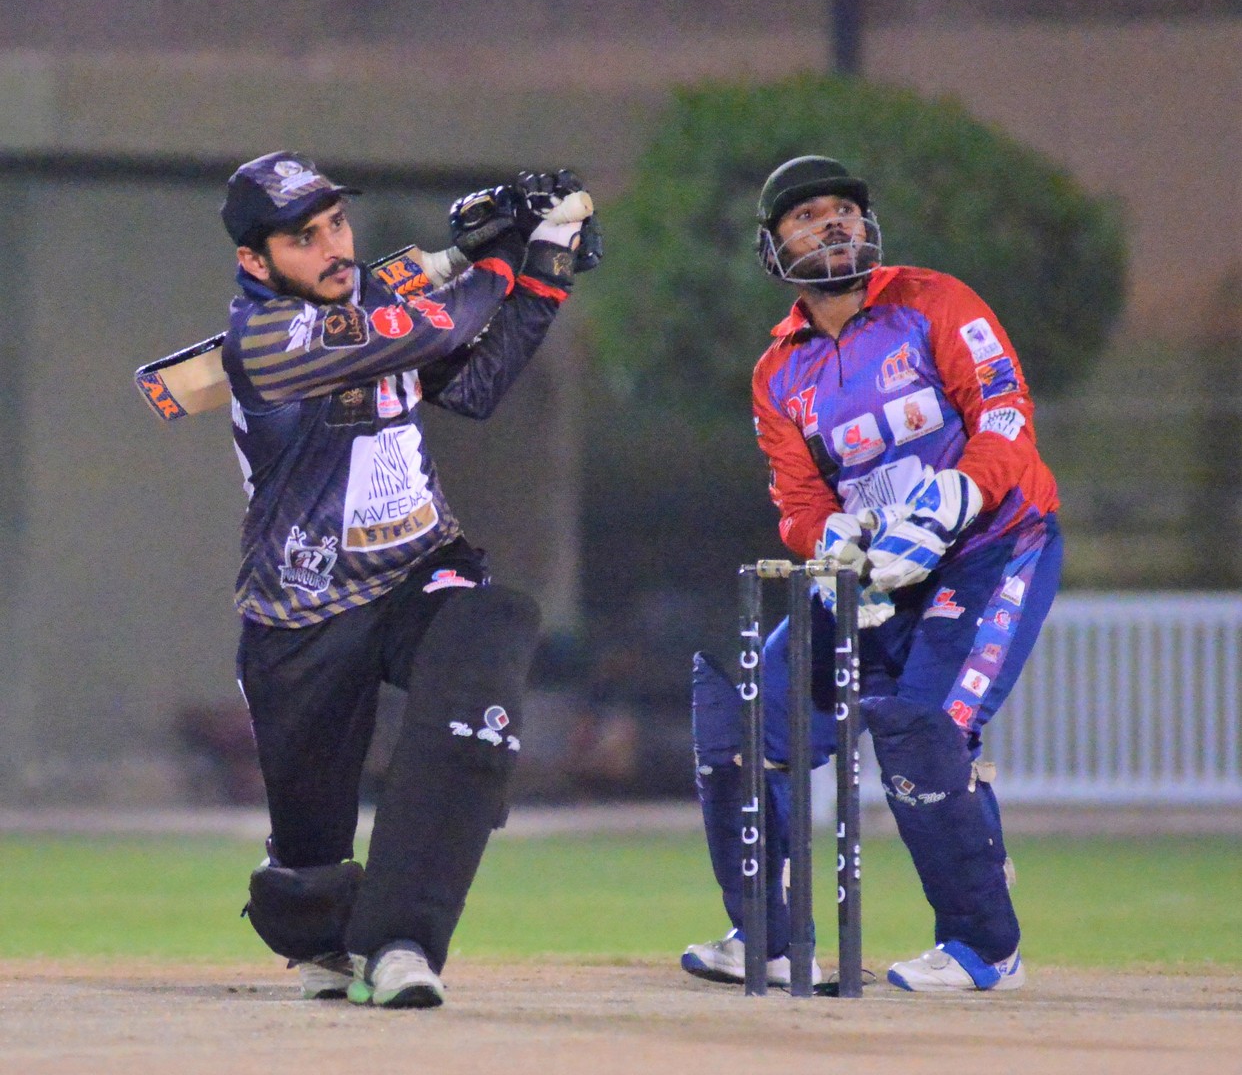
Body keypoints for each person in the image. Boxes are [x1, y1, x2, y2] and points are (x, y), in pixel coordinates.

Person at [216, 151, 596, 1008]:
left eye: (336, 225)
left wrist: (546, 275)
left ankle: (400, 939)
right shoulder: (266, 338)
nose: (332, 247)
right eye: (304, 238)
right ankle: (323, 922)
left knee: (490, 638)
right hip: (302, 611)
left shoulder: (373, 303)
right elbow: (436, 329)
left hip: (420, 568)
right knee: (307, 888)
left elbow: (474, 385)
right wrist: (508, 255)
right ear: (255, 261)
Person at [682, 156, 1061, 992]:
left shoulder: (935, 302)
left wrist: (955, 498)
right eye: (807, 215)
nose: (833, 223)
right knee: (748, 725)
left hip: (992, 545)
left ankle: (983, 947)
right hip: (876, 574)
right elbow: (798, 500)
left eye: (845, 209)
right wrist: (832, 546)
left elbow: (1004, 415)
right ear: (773, 246)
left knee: (923, 730)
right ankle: (768, 937)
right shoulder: (778, 372)